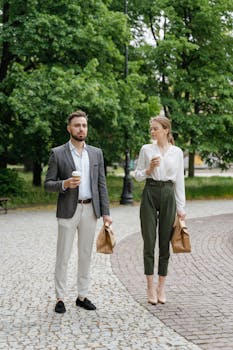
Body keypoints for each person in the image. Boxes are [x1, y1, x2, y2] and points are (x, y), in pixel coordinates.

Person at [44, 110, 112, 313]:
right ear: (69, 128)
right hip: (67, 209)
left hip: (90, 209)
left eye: (84, 125)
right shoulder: (58, 153)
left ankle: (82, 296)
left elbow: (102, 184)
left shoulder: (96, 153)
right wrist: (64, 183)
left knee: (85, 254)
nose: (81, 129)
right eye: (77, 125)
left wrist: (106, 212)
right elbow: (48, 184)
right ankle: (60, 298)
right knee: (63, 255)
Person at [134, 110, 186, 305]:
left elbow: (179, 181)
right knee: (149, 241)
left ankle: (161, 287)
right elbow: (137, 175)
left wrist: (181, 209)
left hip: (168, 193)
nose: (152, 132)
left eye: (155, 129)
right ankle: (149, 286)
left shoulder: (177, 152)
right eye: (151, 129)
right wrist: (149, 170)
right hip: (150, 192)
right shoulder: (146, 149)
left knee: (165, 244)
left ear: (166, 130)